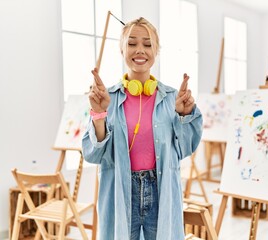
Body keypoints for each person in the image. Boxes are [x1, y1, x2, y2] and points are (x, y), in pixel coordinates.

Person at [82, 17, 203, 240]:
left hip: (160, 190)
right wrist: (99, 115)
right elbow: (94, 154)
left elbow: (186, 148)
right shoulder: (106, 98)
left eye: (147, 44)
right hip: (121, 189)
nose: (140, 50)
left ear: (156, 51)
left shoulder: (171, 99)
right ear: (121, 49)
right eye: (132, 43)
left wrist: (184, 115)